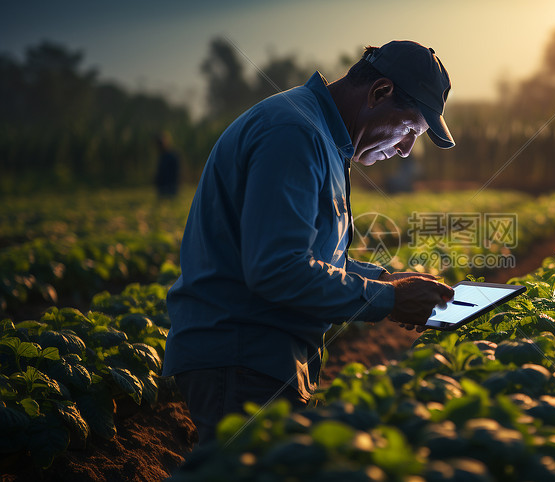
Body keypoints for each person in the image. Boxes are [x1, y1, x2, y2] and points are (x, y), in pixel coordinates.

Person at [162, 40, 456, 445]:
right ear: (380, 92)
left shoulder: (323, 137)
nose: (407, 149)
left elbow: (308, 256)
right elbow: (277, 269)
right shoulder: (295, 133)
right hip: (241, 355)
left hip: (258, 357)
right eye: (409, 129)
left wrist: (389, 280)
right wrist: (389, 301)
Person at [154, 132, 180, 198]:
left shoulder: (173, 156)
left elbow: (176, 174)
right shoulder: (161, 157)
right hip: (162, 189)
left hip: (170, 189)